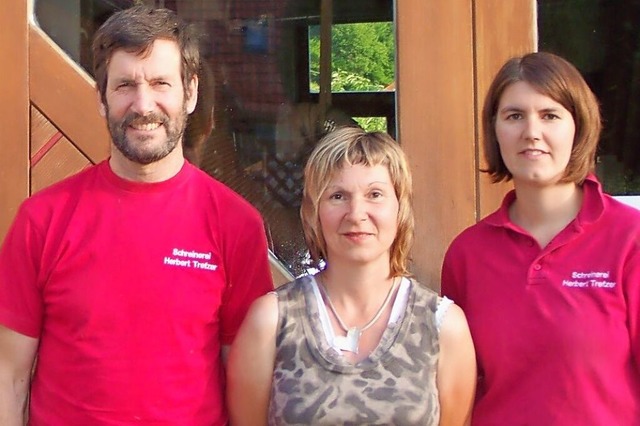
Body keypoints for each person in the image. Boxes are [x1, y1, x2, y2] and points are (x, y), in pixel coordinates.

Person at [0, 5, 273, 425]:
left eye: (161, 83)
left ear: (191, 92)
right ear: (101, 98)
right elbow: (9, 376)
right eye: (125, 85)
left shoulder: (236, 225)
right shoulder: (42, 220)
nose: (143, 104)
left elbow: (247, 388)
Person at [227, 126, 477, 425]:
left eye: (375, 194)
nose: (356, 213)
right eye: (337, 196)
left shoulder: (443, 327)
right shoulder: (272, 320)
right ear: (313, 211)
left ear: (400, 208)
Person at [441, 51, 640, 425]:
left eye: (549, 115)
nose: (531, 132)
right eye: (514, 116)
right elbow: (456, 391)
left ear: (578, 126)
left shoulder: (630, 239)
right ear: (494, 130)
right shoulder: (467, 254)